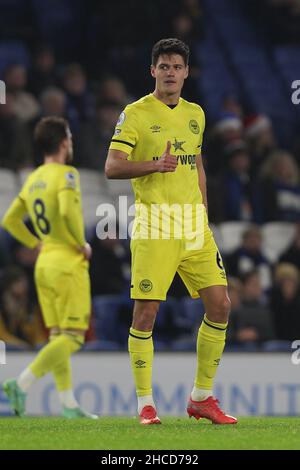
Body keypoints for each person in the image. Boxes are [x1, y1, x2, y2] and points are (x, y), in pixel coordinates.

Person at [105, 38, 236, 425]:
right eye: (164, 66)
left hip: (194, 226)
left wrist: (204, 212)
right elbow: (112, 166)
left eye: (177, 67)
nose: (170, 73)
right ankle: (146, 404)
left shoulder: (196, 114)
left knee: (221, 305)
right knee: (146, 314)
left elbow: (196, 165)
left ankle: (201, 397)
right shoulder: (135, 113)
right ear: (153, 71)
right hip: (155, 225)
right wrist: (152, 165)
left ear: (186, 73)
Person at [1, 116, 97, 419]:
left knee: (58, 336)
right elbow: (69, 212)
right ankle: (21, 382)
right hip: (67, 261)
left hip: (44, 264)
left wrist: (35, 243)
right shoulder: (67, 175)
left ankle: (68, 404)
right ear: (64, 142)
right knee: (73, 337)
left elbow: (9, 221)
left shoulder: (33, 178)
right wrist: (82, 242)